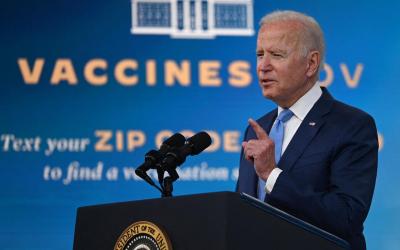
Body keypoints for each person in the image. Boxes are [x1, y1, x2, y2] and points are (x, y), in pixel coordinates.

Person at [236, 10, 378, 250]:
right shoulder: (256, 130)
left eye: (277, 55)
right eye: (260, 54)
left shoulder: (352, 125)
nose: (263, 66)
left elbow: (346, 217)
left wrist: (272, 175)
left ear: (311, 63)